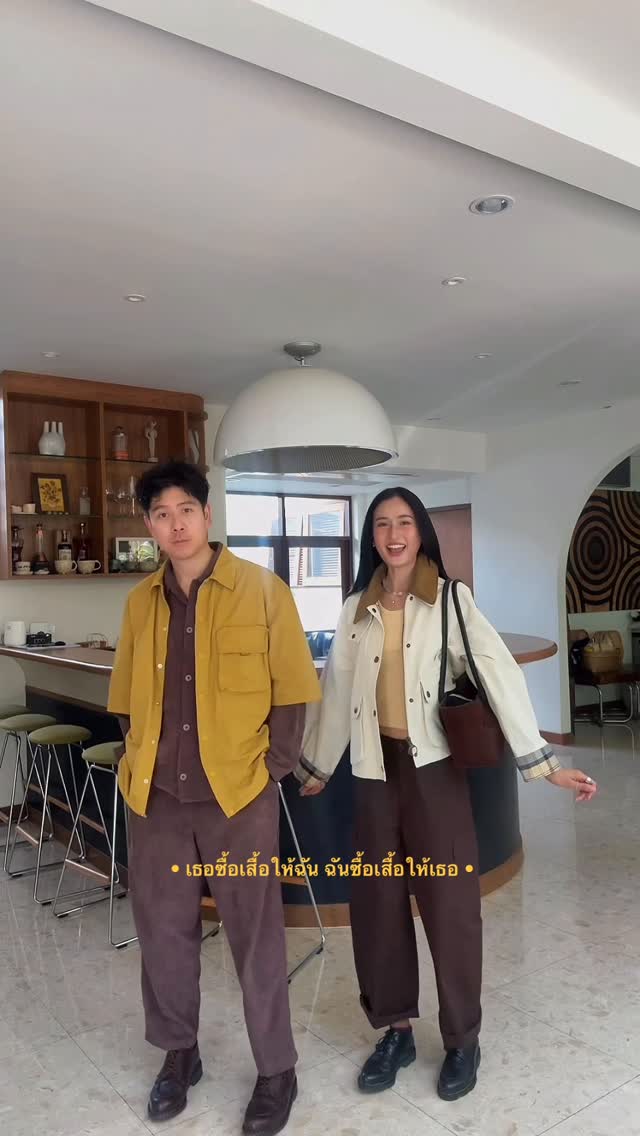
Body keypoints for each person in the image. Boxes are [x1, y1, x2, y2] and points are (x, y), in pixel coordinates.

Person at [296, 488, 596, 1102]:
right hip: (373, 774)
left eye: (405, 522)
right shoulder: (356, 607)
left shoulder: (451, 599)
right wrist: (317, 763)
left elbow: (499, 674)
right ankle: (396, 1031)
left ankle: (463, 1039)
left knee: (451, 907)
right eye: (383, 523)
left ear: (421, 532)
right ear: (371, 536)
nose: (394, 534)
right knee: (378, 908)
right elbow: (336, 691)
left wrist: (543, 764)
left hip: (433, 772)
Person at [108, 460, 321, 1136]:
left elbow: (292, 692)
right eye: (160, 514)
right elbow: (125, 700)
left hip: (238, 798)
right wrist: (138, 759)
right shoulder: (140, 603)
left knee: (255, 937)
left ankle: (277, 1070)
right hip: (157, 801)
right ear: (148, 526)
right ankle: (179, 1054)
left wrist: (271, 771)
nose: (175, 524)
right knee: (163, 934)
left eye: (185, 510)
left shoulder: (262, 590)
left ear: (206, 514)